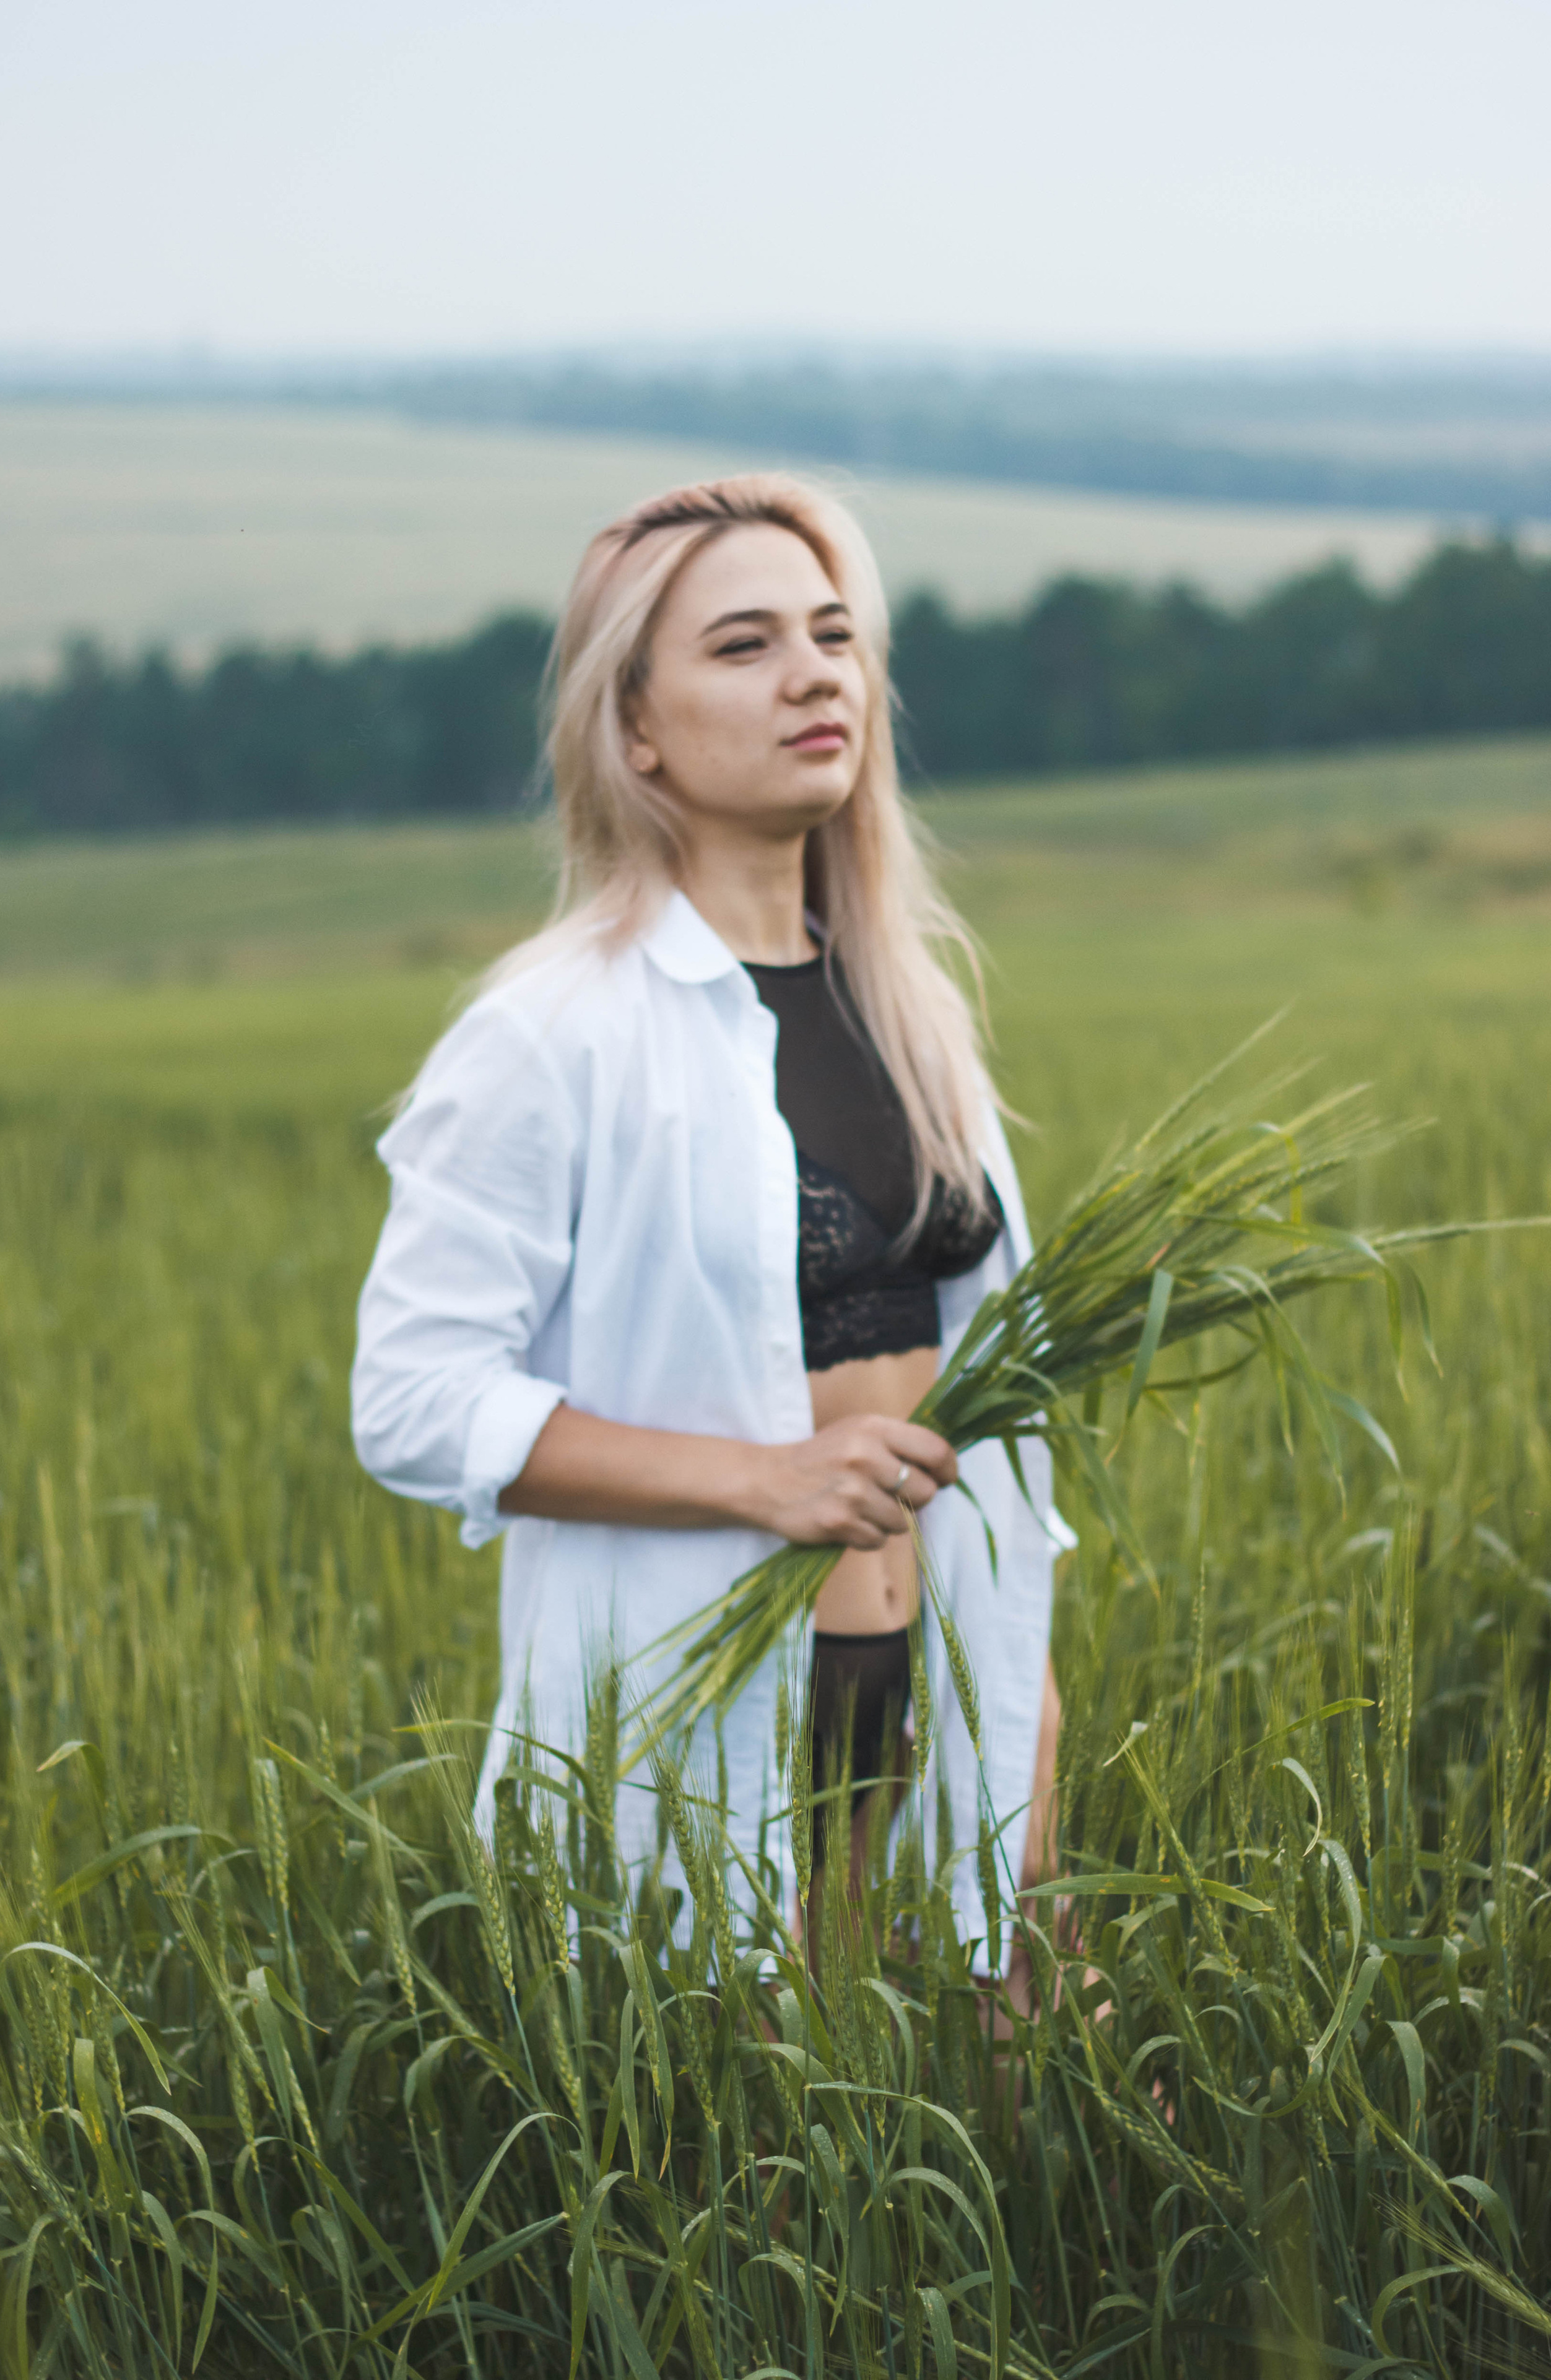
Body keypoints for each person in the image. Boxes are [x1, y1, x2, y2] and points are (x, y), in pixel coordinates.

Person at [350, 474, 1071, 1964]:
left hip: (946, 1692)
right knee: (743, 2182)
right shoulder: (551, 1032)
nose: (812, 672)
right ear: (633, 730)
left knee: (988, 2157)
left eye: (831, 635)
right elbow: (414, 1405)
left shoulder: (908, 1006)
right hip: (708, 1717)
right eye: (741, 647)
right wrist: (762, 1483)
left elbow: (991, 1405)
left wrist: (1022, 1709)